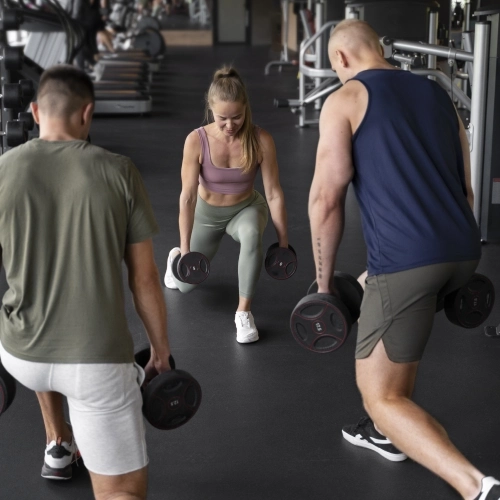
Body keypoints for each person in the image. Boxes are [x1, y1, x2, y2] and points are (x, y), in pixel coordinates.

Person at [308, 19, 499, 500]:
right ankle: (386, 433)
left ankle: (477, 487)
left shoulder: (345, 100)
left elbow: (325, 201)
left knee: (379, 394)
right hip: (463, 251)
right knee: (383, 298)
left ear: (342, 60)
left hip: (410, 263)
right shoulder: (438, 95)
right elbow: (467, 186)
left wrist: (324, 284)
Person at [0, 65, 171, 499]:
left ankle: (58, 442)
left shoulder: (3, 169)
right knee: (122, 492)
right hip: (96, 362)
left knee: (42, 341)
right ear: (88, 113)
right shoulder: (119, 170)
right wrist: (160, 351)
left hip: (22, 353)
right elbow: (145, 278)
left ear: (36, 112)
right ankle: (67, 441)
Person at [164, 66, 289, 343]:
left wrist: (283, 243)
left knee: (252, 234)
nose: (230, 125)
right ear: (211, 109)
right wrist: (185, 251)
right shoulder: (196, 141)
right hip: (206, 214)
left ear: (246, 109)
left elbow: (274, 193)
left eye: (237, 117)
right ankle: (173, 259)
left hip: (245, 209)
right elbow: (187, 197)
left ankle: (243, 313)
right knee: (184, 286)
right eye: (222, 118)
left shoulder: (261, 140)